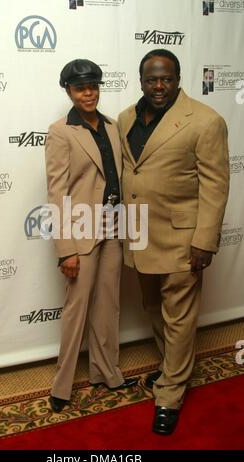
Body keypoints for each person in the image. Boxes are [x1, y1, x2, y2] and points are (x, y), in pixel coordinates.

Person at [118, 49, 229, 435]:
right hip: (139, 234)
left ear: (179, 78)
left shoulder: (206, 121)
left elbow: (216, 186)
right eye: (151, 79)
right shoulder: (125, 118)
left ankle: (170, 393)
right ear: (141, 80)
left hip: (183, 240)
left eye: (166, 78)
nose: (159, 85)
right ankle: (172, 368)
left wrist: (205, 241)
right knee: (152, 308)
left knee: (179, 319)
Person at [45, 59, 137, 413]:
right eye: (81, 88)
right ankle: (62, 385)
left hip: (114, 226)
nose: (89, 93)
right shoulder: (61, 131)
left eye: (94, 86)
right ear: (68, 91)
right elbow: (57, 193)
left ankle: (107, 374)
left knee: (108, 306)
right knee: (76, 309)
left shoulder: (113, 126)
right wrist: (64, 249)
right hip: (81, 232)